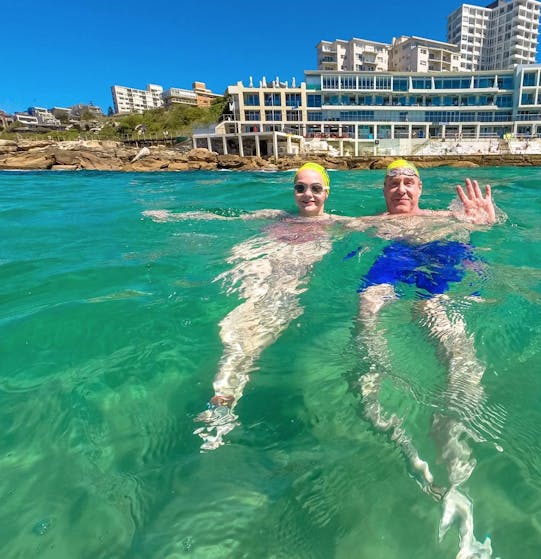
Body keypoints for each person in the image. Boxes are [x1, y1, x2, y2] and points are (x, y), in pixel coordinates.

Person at [353, 159, 505, 559]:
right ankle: (373, 384)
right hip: (395, 256)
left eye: (409, 182)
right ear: (383, 191)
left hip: (441, 256)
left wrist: (485, 223)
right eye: (393, 183)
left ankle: (452, 433)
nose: (402, 189)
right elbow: (314, 221)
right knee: (366, 308)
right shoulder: (371, 223)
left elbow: (486, 225)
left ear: (420, 189)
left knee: (435, 316)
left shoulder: (444, 215)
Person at [188, 162, 345, 450]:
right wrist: (165, 214)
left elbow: (391, 224)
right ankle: (222, 400)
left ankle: (222, 401)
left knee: (246, 336)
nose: (307, 194)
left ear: (326, 193)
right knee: (238, 330)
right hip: (257, 267)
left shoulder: (336, 222)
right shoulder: (277, 217)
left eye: (315, 188)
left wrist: (454, 218)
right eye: (300, 188)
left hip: (287, 276)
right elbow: (225, 217)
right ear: (293, 191)